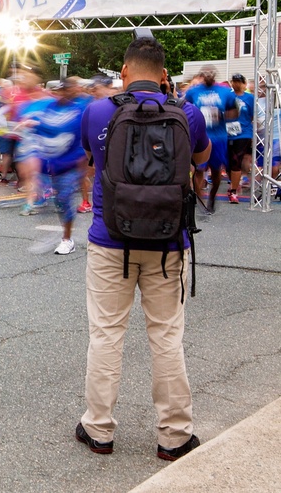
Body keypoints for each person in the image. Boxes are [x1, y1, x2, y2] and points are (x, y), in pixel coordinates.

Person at [77, 35, 209, 460]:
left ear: (125, 72)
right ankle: (173, 436)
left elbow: (93, 160)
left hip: (110, 241)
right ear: (165, 75)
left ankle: (98, 430)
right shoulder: (187, 113)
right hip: (170, 243)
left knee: (106, 335)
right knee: (167, 336)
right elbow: (201, 160)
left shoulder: (97, 111)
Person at [34, 79, 87, 254]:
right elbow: (42, 131)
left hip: (71, 164)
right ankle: (68, 231)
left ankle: (67, 239)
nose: (66, 92)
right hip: (54, 164)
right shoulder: (50, 109)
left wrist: (82, 167)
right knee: (59, 202)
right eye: (64, 89)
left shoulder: (78, 111)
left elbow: (81, 140)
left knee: (64, 198)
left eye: (70, 89)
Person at [184, 65, 237, 212]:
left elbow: (235, 113)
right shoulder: (193, 92)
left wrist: (221, 116)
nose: (208, 75)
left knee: (215, 172)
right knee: (198, 169)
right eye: (205, 73)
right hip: (200, 135)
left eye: (211, 73)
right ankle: (200, 201)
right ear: (201, 75)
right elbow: (185, 108)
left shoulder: (225, 92)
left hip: (218, 137)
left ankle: (212, 198)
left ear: (215, 75)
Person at [226, 73, 254, 204]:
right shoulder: (228, 96)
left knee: (236, 160)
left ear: (244, 83)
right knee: (227, 162)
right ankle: (234, 183)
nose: (236, 84)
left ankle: (233, 191)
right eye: (234, 81)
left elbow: (253, 116)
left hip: (243, 133)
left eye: (239, 81)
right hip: (227, 132)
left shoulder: (250, 98)